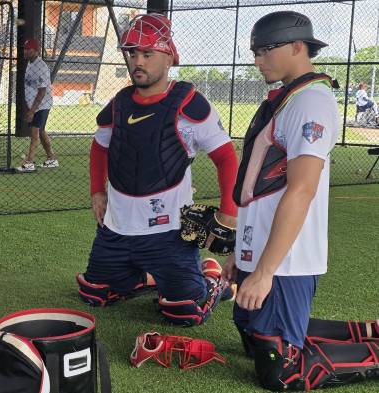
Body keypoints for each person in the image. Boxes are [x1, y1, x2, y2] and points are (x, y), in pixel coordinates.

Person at [224, 11, 379, 391]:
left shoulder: (311, 102)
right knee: (254, 342)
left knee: (281, 372)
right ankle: (365, 331)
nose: (257, 60)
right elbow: (257, 187)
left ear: (297, 47)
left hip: (285, 262)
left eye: (265, 50)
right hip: (258, 251)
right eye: (254, 51)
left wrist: (264, 272)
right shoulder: (284, 99)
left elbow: (301, 190)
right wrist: (241, 254)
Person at [76, 13, 239, 327]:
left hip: (168, 234)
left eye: (147, 54)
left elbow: (227, 158)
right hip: (116, 229)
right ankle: (149, 277)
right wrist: (97, 190)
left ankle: (212, 281)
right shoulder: (119, 103)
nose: (138, 61)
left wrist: (230, 212)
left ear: (168, 57)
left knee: (184, 312)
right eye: (133, 53)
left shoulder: (189, 104)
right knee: (94, 293)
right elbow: (100, 147)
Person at [16, 38, 58, 172]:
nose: (25, 51)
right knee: (41, 131)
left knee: (35, 132)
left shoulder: (41, 67)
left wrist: (32, 110)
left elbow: (42, 91)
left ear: (35, 51)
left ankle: (30, 162)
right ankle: (51, 158)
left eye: (28, 49)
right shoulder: (30, 64)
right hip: (35, 104)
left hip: (42, 104)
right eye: (24, 48)